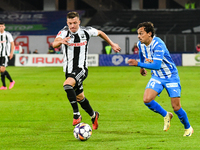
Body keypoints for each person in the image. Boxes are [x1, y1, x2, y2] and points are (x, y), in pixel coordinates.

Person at [53, 11, 121, 130]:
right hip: (68, 71)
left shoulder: (86, 31)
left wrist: (112, 44)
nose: (72, 25)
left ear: (79, 22)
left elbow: (100, 33)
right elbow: (55, 43)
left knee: (67, 85)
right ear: (67, 23)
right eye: (70, 23)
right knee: (79, 97)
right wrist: (60, 41)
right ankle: (94, 115)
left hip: (81, 69)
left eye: (75, 23)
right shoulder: (64, 32)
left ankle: (76, 114)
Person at [128, 22, 193, 137]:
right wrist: (142, 66)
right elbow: (142, 54)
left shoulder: (158, 45)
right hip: (157, 76)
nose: (139, 36)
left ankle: (188, 128)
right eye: (138, 34)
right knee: (147, 99)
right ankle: (166, 114)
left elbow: (157, 65)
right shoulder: (140, 44)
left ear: (149, 33)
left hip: (170, 77)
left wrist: (138, 64)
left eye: (141, 33)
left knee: (176, 107)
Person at [0, 22, 15, 90]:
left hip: (5, 55)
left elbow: (12, 43)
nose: (1, 27)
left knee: (2, 69)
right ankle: (4, 86)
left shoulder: (7, 34)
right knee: (1, 71)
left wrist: (11, 53)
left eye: (2, 26)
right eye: (0, 26)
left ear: (4, 27)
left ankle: (11, 81)